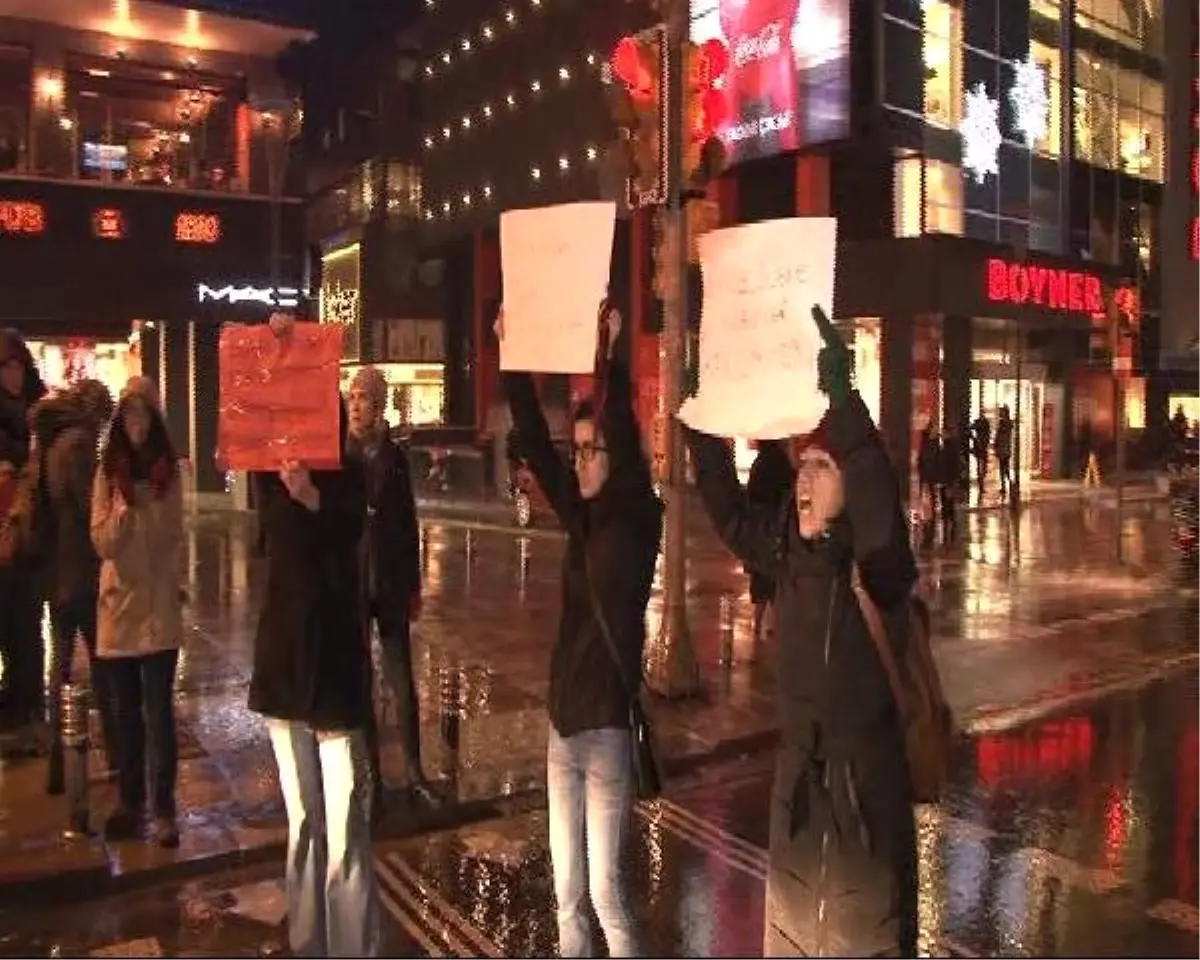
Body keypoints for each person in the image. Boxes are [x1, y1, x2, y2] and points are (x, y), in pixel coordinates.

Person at [684, 305, 919, 957]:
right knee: (787, 939)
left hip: (864, 793)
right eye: (803, 468)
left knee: (861, 941)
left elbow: (878, 506)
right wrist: (698, 423)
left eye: (822, 467)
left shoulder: (877, 567)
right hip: (798, 785)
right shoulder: (786, 551)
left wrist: (846, 406)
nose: (806, 482)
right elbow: (728, 510)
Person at [498, 300, 663, 958]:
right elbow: (536, 443)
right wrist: (514, 360)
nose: (584, 459)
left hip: (606, 737)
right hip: (561, 728)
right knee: (565, 896)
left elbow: (617, 428)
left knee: (605, 894)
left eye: (596, 452)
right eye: (582, 449)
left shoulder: (635, 519)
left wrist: (610, 355)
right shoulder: (581, 515)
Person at [247, 312, 379, 958]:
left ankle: (352, 946)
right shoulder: (267, 466)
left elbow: (348, 531)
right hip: (283, 665)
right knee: (303, 822)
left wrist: (312, 500)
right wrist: (278, 345)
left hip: (333, 671)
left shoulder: (348, 468)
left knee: (346, 827)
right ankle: (306, 941)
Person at [90, 377, 184, 846]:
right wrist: (125, 510)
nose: (137, 424)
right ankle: (131, 802)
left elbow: (172, 536)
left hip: (159, 609)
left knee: (159, 715)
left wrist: (152, 504)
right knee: (126, 715)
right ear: (120, 422)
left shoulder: (171, 472)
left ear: (155, 419)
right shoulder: (108, 473)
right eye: (129, 416)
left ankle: (164, 809)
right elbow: (102, 541)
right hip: (119, 610)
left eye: (144, 415)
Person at [347, 366, 435, 813]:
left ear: (379, 404)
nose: (357, 404)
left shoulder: (394, 456)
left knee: (401, 678)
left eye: (365, 397)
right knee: (360, 679)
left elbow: (407, 520)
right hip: (354, 580)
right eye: (353, 397)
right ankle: (373, 773)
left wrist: (414, 583)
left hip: (391, 577)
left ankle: (415, 768)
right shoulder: (339, 453)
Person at [34, 378, 120, 795]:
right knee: (104, 664)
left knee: (61, 669)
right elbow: (91, 508)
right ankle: (120, 757)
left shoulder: (52, 441)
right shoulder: (80, 444)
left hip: (57, 572)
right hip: (81, 572)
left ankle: (57, 767)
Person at [0, 329, 47, 741]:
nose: (13, 374)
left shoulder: (40, 417)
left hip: (28, 543)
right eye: (5, 367)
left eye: (18, 366)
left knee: (26, 631)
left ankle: (27, 706)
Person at [746, 439, 793, 643]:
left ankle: (758, 624)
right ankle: (774, 623)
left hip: (760, 528)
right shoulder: (782, 463)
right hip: (777, 528)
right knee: (774, 579)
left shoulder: (761, 464)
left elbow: (751, 496)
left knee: (760, 579)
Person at [994, 405, 1014, 499]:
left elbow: (1000, 435)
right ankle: (1007, 484)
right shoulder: (1006, 423)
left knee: (1004, 468)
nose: (1000, 414)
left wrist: (997, 444)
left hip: (1004, 449)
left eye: (1001, 412)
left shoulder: (1005, 423)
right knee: (1004, 468)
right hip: (1003, 449)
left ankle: (1008, 483)